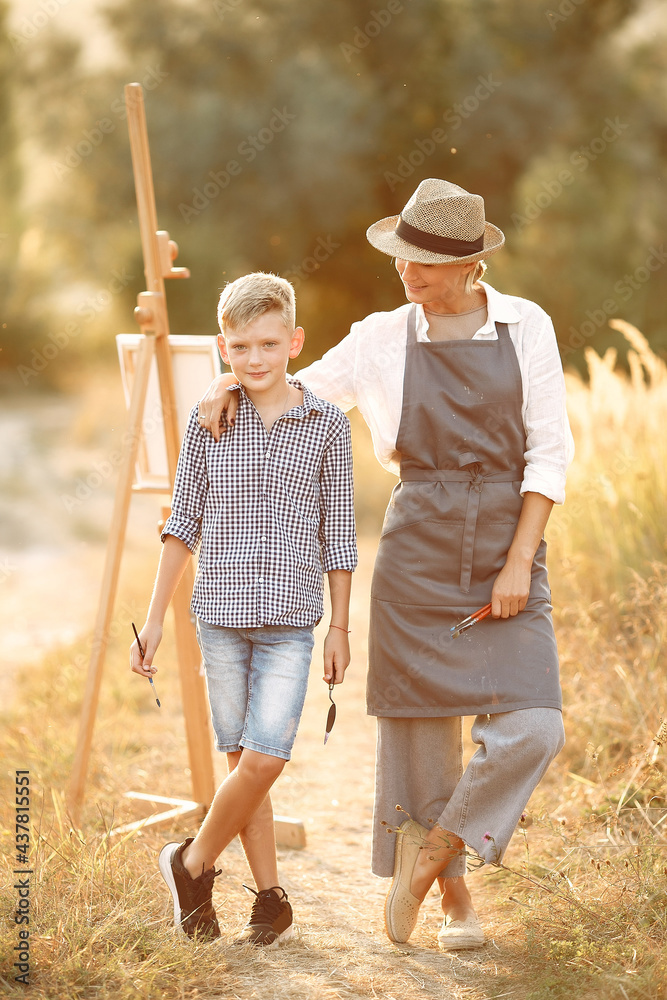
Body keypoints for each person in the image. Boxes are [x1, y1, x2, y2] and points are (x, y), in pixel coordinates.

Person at [197, 179, 573, 951]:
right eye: (401, 259)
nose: (407, 275)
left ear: (471, 264)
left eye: (424, 265)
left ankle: (430, 858)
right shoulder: (378, 336)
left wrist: (517, 562)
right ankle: (455, 906)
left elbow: (550, 453)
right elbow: (299, 394)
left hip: (506, 541)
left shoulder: (525, 326)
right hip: (415, 551)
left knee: (533, 725)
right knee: (420, 741)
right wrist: (230, 379)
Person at [130, 272, 357, 947]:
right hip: (219, 618)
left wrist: (340, 626)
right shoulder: (211, 423)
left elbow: (340, 534)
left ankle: (190, 863)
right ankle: (270, 898)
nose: (254, 360)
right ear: (222, 348)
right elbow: (183, 525)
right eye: (238, 348)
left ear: (294, 340)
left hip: (292, 621)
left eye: (267, 344)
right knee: (242, 768)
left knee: (265, 759)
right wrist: (152, 620)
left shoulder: (326, 427)